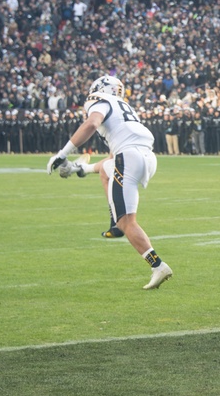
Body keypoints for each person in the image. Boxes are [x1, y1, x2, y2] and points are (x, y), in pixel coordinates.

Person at [48, 75, 173, 290]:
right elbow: (112, 160)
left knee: (128, 222)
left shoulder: (99, 101)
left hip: (129, 158)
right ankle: (115, 224)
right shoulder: (125, 108)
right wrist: (80, 168)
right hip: (148, 158)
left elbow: (91, 123)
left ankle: (157, 265)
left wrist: (62, 153)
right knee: (107, 171)